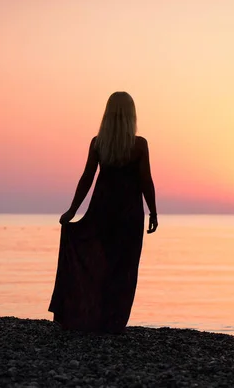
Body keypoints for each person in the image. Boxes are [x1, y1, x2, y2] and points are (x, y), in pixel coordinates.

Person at [48, 91, 158, 333]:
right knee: (124, 267)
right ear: (131, 114)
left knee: (103, 265)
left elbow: (87, 178)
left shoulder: (99, 143)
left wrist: (73, 210)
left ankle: (93, 318)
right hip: (129, 215)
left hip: (102, 212)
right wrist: (154, 212)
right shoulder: (138, 145)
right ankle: (113, 321)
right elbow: (145, 181)